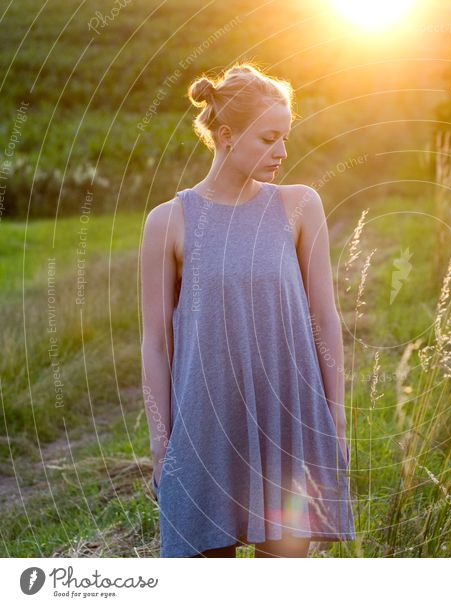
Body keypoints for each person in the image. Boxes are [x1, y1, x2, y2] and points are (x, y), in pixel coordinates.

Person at [139, 63, 355, 558]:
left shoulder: (299, 206)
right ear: (226, 135)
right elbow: (155, 341)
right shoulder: (168, 222)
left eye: (285, 137)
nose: (282, 152)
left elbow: (325, 319)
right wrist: (160, 439)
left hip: (288, 421)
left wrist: (336, 421)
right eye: (268, 139)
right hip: (205, 428)